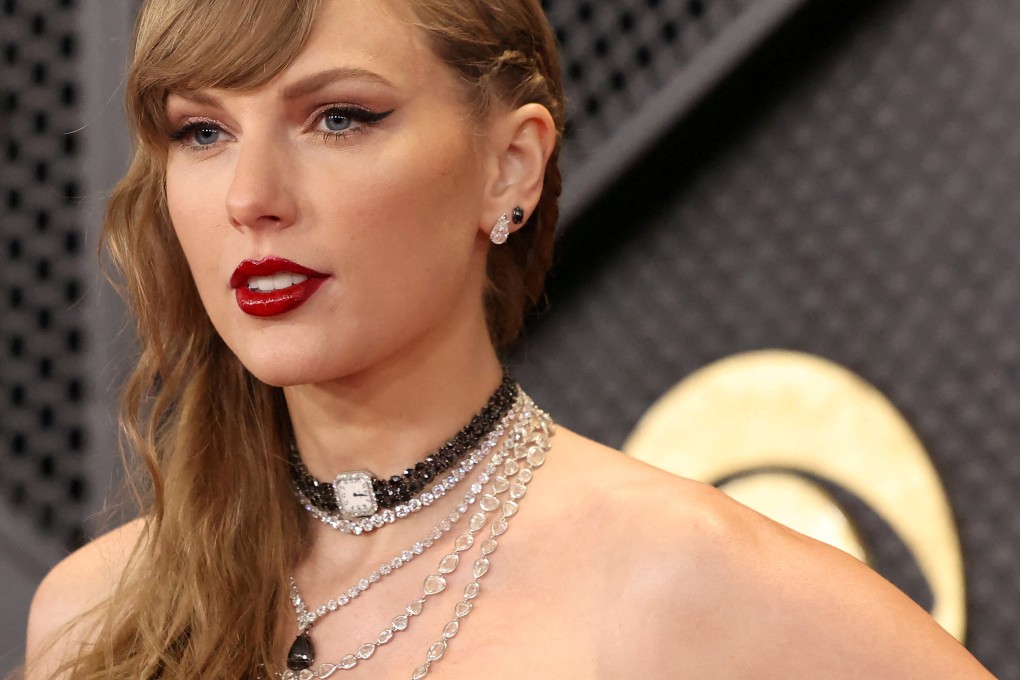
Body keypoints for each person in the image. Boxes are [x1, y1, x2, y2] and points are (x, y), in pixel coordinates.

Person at [24, 0, 994, 678]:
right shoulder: (96, 614)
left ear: (510, 165)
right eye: (201, 132)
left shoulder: (680, 578)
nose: (251, 198)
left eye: (339, 117)